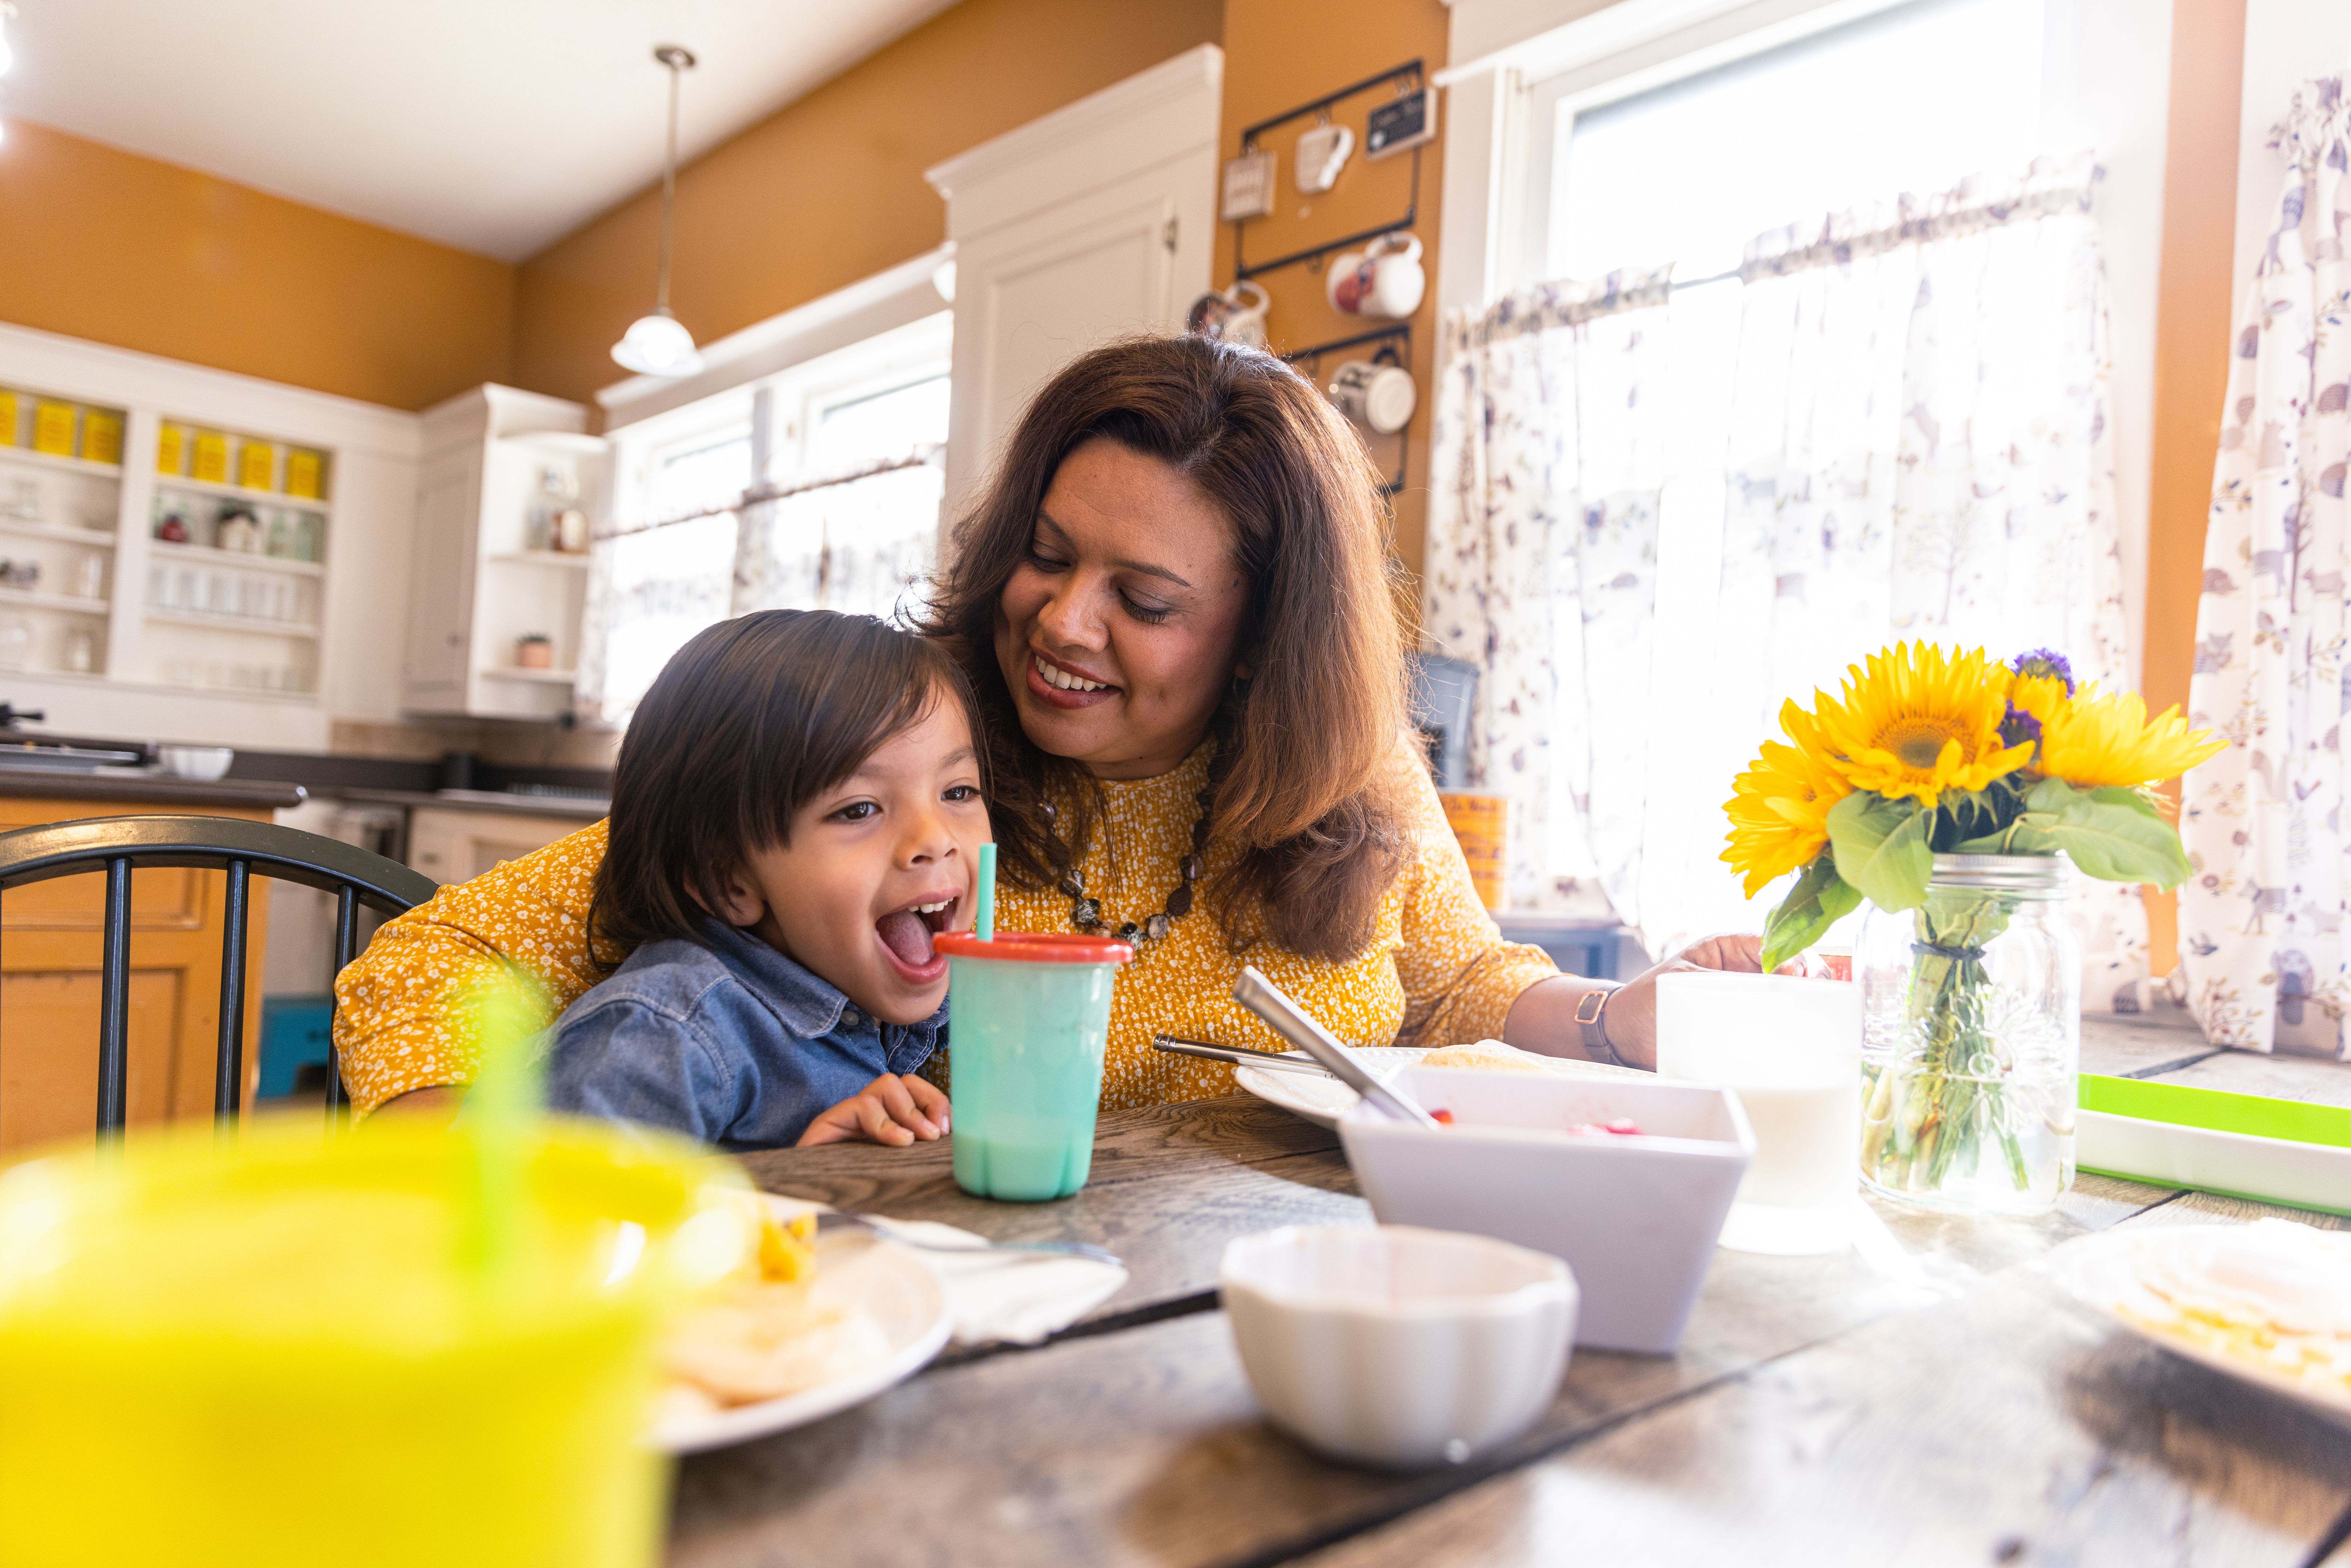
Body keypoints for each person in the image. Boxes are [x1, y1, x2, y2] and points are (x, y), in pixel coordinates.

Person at [338, 335, 1771, 1123]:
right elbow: (427, 963)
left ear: (1265, 640)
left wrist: (1612, 1019)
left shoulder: (1350, 779)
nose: (1058, 622)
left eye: (1141, 598)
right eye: (1044, 552)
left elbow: (1456, 987)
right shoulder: (909, 754)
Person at [537, 610, 982, 1149]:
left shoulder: (905, 993)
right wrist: (787, 1189)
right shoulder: (662, 1038)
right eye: (858, 809)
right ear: (729, 881)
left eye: (958, 792)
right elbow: (556, 1228)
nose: (935, 840)